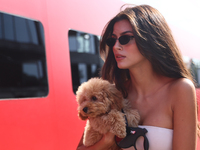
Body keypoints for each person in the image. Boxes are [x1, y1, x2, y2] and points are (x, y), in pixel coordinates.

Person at [77, 4, 199, 150]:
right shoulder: (115, 94)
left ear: (149, 40)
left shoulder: (180, 89)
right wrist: (106, 142)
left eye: (125, 39)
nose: (116, 46)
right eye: (112, 40)